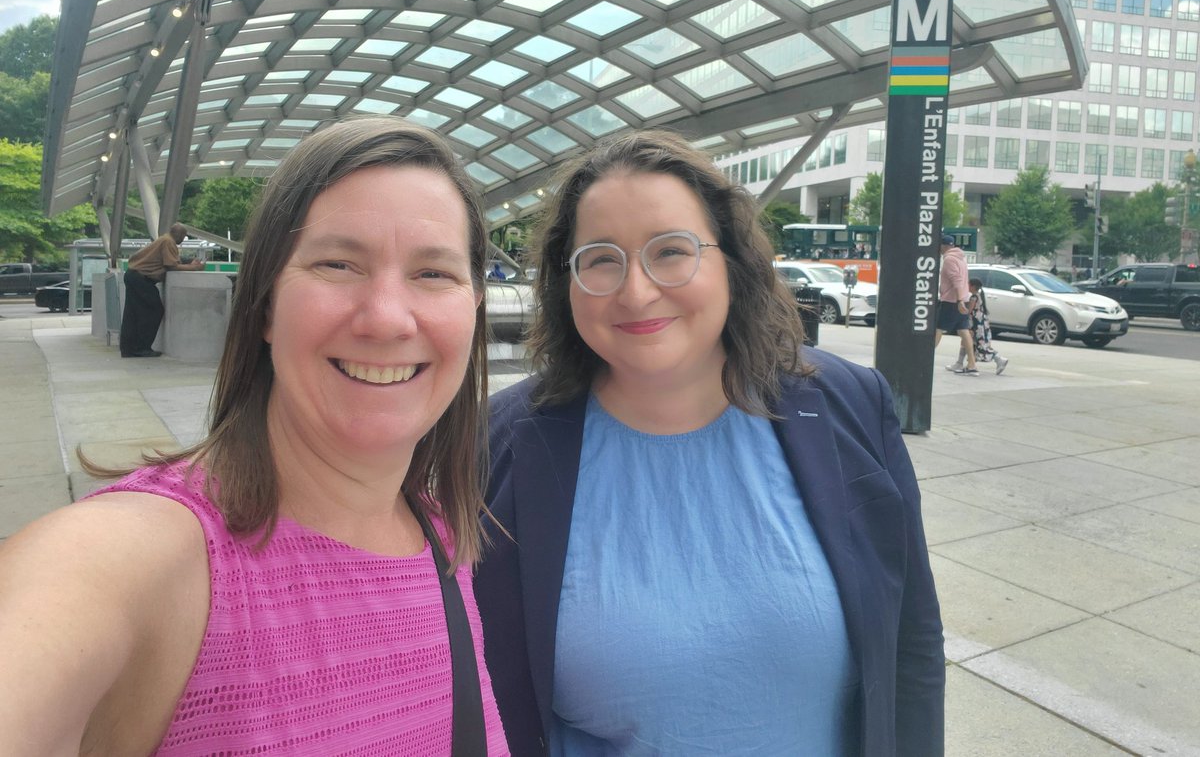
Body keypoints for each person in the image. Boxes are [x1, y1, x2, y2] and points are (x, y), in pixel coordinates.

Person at [0, 117, 510, 755]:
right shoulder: (144, 559)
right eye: (337, 263)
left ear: (474, 307)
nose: (385, 317)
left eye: (434, 273)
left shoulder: (445, 536)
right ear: (265, 304)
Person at [474, 130, 944, 757]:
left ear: (732, 261)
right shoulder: (500, 440)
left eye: (671, 251)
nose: (636, 291)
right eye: (601, 258)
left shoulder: (848, 405)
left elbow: (910, 646)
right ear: (568, 281)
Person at [120, 222, 207, 357]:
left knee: (132, 313)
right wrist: (195, 267)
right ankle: (142, 347)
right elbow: (171, 265)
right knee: (154, 310)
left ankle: (128, 349)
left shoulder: (164, 239)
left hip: (133, 275)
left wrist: (188, 261)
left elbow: (171, 259)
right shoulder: (169, 242)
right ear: (179, 234)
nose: (184, 239)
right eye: (184, 236)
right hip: (141, 279)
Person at [935, 232, 977, 375]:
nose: (939, 248)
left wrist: (959, 301)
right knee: (963, 331)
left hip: (952, 301)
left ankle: (924, 358)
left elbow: (957, 280)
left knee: (938, 328)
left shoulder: (949, 260)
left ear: (944, 246)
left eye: (940, 245)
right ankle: (972, 365)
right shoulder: (961, 259)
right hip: (962, 299)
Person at [950, 278, 1009, 375]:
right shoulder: (978, 295)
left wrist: (960, 309)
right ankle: (966, 364)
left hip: (977, 325)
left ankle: (998, 359)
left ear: (972, 286)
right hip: (980, 323)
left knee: (980, 345)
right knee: (969, 343)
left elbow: (969, 310)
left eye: (968, 284)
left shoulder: (974, 297)